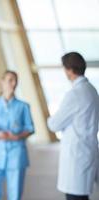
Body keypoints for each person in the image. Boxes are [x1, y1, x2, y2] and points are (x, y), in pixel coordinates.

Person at [47, 52, 99, 200]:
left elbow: (54, 124)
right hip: (89, 151)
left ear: (69, 69)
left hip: (76, 156)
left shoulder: (74, 94)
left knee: (75, 197)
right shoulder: (92, 90)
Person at [0, 70, 34, 200]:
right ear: (2, 82)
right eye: (10, 80)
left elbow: (30, 128)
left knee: (15, 193)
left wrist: (18, 136)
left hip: (16, 154)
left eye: (15, 80)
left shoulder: (23, 106)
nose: (13, 83)